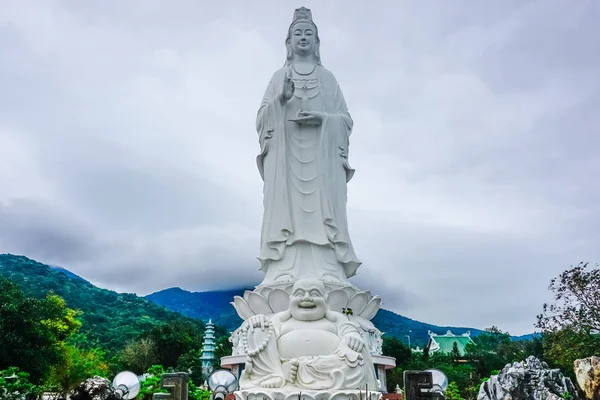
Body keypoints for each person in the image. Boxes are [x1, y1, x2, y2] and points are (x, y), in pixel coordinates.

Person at [256, 7, 361, 286]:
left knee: (322, 211)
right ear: (289, 43)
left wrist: (323, 120)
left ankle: (328, 268)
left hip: (321, 160)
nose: (303, 37)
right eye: (297, 33)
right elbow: (261, 117)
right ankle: (283, 269)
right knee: (285, 209)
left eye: (309, 33)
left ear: (316, 42)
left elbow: (346, 120)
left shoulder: (328, 79)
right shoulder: (279, 76)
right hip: (287, 158)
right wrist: (281, 99)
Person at [239, 279, 378, 390]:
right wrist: (257, 321)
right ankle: (277, 373)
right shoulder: (281, 320)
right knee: (258, 328)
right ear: (290, 299)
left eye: (314, 294)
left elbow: (349, 330)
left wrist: (352, 336)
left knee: (355, 359)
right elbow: (264, 336)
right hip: (282, 365)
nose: (306, 298)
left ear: (326, 299)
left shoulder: (336, 319)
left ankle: (293, 372)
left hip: (329, 367)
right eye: (300, 294)